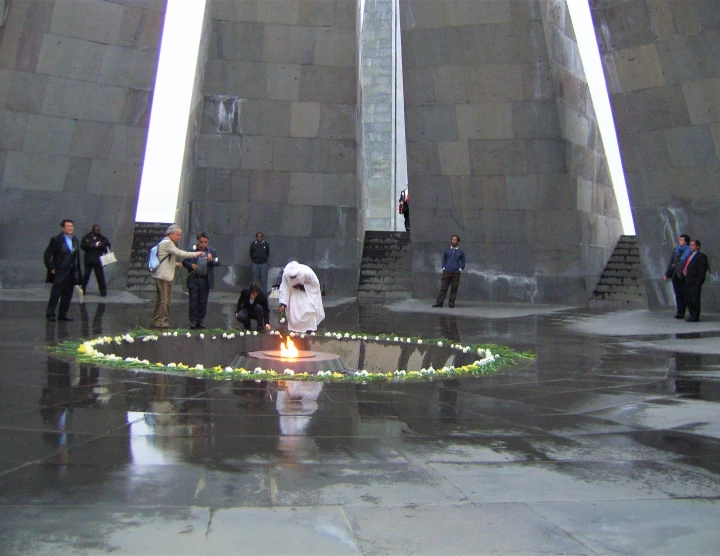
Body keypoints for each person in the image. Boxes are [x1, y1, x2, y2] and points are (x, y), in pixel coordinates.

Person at [150, 224, 203, 329]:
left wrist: (174, 264)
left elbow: (163, 258)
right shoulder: (168, 243)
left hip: (161, 275)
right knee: (165, 299)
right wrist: (196, 254)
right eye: (178, 235)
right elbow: (180, 253)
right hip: (164, 276)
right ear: (172, 234)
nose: (179, 237)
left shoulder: (164, 242)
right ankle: (162, 321)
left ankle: (156, 320)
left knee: (161, 299)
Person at [44, 219, 83, 322]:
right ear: (62, 228)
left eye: (71, 226)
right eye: (68, 226)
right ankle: (50, 313)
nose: (70, 228)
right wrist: (51, 268)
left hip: (71, 271)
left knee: (68, 294)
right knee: (56, 294)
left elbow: (76, 257)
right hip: (60, 271)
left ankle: (63, 314)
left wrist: (78, 272)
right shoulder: (56, 239)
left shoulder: (75, 239)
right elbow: (47, 254)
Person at [182, 232, 219, 329]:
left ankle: (201, 320)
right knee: (193, 300)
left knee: (203, 301)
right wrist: (190, 265)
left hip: (205, 279)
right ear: (198, 241)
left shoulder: (212, 251)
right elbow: (184, 262)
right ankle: (193, 320)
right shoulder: (191, 250)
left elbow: (218, 261)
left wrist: (212, 260)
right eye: (201, 242)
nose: (203, 244)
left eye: (205, 242)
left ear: (208, 242)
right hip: (194, 278)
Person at [278, 261, 325, 333]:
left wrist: (301, 286)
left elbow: (315, 284)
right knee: (293, 311)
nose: (293, 278)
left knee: (308, 308)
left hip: (306, 293)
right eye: (291, 277)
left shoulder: (307, 272)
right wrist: (283, 304)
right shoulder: (285, 275)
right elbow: (284, 289)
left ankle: (309, 328)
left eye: (294, 276)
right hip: (294, 294)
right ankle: (295, 329)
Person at [432, 234, 466, 308]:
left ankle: (451, 303)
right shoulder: (447, 250)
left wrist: (460, 269)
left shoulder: (460, 252)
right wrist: (444, 267)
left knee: (454, 288)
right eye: (452, 240)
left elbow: (463, 261)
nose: (453, 241)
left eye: (455, 240)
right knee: (443, 288)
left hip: (456, 273)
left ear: (458, 241)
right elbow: (444, 259)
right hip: (447, 272)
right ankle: (439, 302)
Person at [663, 234, 691, 319]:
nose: (680, 241)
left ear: (686, 241)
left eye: (682, 240)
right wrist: (667, 274)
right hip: (677, 274)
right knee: (678, 294)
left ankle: (691, 312)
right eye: (680, 239)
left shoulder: (689, 250)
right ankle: (680, 312)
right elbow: (671, 262)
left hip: (685, 274)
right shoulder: (676, 249)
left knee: (686, 294)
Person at [682, 239, 709, 322]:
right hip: (687, 280)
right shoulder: (690, 255)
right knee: (688, 298)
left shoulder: (701, 256)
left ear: (698, 246)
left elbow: (702, 269)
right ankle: (691, 314)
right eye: (690, 245)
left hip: (695, 281)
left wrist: (699, 281)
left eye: (693, 245)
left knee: (695, 299)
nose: (691, 246)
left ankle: (695, 316)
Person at [80, 224, 111, 297]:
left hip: (98, 259)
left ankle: (103, 291)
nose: (97, 231)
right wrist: (91, 245)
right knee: (86, 275)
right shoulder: (87, 237)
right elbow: (82, 246)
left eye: (98, 230)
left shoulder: (102, 238)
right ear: (93, 230)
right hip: (89, 259)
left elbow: (108, 246)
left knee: (100, 276)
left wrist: (102, 245)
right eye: (95, 229)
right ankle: (82, 290)